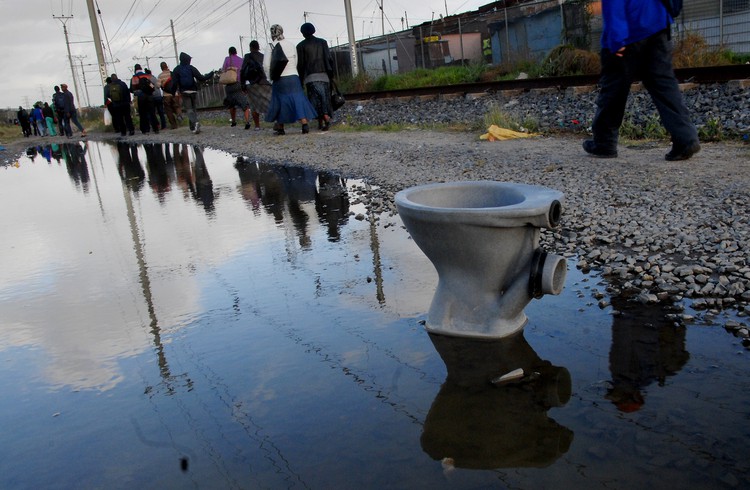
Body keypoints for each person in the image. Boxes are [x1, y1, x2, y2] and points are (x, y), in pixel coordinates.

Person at [583, 0, 700, 161]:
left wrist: (617, 35)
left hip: (630, 26)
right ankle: (686, 139)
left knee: (613, 88)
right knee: (664, 85)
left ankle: (604, 143)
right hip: (658, 22)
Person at [264, 24, 317, 135]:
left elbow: (266, 65)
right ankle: (304, 124)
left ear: (272, 33)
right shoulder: (291, 45)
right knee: (298, 99)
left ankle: (280, 127)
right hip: (293, 77)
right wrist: (293, 72)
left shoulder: (270, 46)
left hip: (280, 79)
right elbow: (295, 61)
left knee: (280, 101)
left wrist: (270, 78)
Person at [297, 22, 334, 131]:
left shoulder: (301, 46)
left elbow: (301, 64)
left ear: (303, 33)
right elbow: (329, 59)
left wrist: (300, 79)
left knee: (315, 100)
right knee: (324, 98)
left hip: (310, 77)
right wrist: (331, 74)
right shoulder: (322, 42)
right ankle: (326, 117)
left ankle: (321, 121)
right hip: (324, 75)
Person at [173, 52, 214, 134]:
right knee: (193, 109)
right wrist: (211, 74)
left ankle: (195, 123)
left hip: (184, 92)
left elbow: (174, 83)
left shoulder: (177, 69)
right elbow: (201, 78)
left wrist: (172, 92)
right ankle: (193, 127)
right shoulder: (191, 68)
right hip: (193, 91)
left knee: (189, 110)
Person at [241, 40, 272, 131]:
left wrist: (242, 84)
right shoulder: (263, 56)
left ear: (250, 48)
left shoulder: (247, 56)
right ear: (258, 47)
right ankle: (277, 121)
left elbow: (243, 71)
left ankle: (257, 126)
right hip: (265, 82)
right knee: (269, 102)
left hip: (252, 84)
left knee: (253, 105)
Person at [222, 46, 252, 129]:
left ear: (229, 52)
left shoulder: (227, 59)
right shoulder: (241, 60)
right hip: (238, 84)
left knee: (231, 104)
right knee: (244, 103)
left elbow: (223, 70)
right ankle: (247, 122)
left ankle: (234, 122)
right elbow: (244, 71)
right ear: (236, 52)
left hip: (229, 85)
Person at [130, 64, 160, 134]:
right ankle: (155, 128)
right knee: (152, 113)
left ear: (135, 70)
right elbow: (152, 85)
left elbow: (132, 89)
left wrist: (137, 92)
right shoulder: (147, 75)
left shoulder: (134, 77)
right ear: (141, 69)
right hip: (150, 96)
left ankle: (145, 129)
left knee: (143, 113)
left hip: (141, 97)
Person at [157, 61, 182, 129]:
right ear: (167, 66)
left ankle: (174, 125)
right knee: (177, 106)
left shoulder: (160, 76)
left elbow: (158, 86)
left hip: (166, 95)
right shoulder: (172, 73)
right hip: (175, 94)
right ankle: (179, 115)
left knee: (169, 110)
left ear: (161, 68)